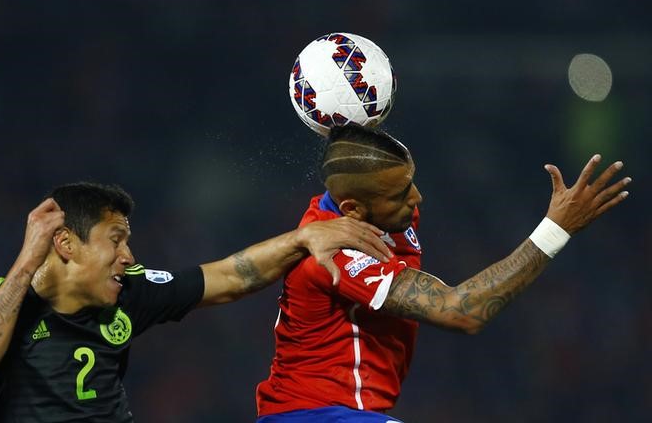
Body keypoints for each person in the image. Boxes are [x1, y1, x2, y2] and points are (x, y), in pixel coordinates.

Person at [255, 124, 631, 422]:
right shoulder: (334, 256)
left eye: (411, 182)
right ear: (353, 209)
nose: (417, 198)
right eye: (401, 194)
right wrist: (556, 228)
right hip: (308, 416)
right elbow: (460, 310)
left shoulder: (374, 205)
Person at [0, 182, 393, 422]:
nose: (129, 257)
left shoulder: (129, 291)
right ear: (65, 243)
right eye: (116, 240)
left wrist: (301, 239)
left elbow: (227, 276)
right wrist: (27, 262)